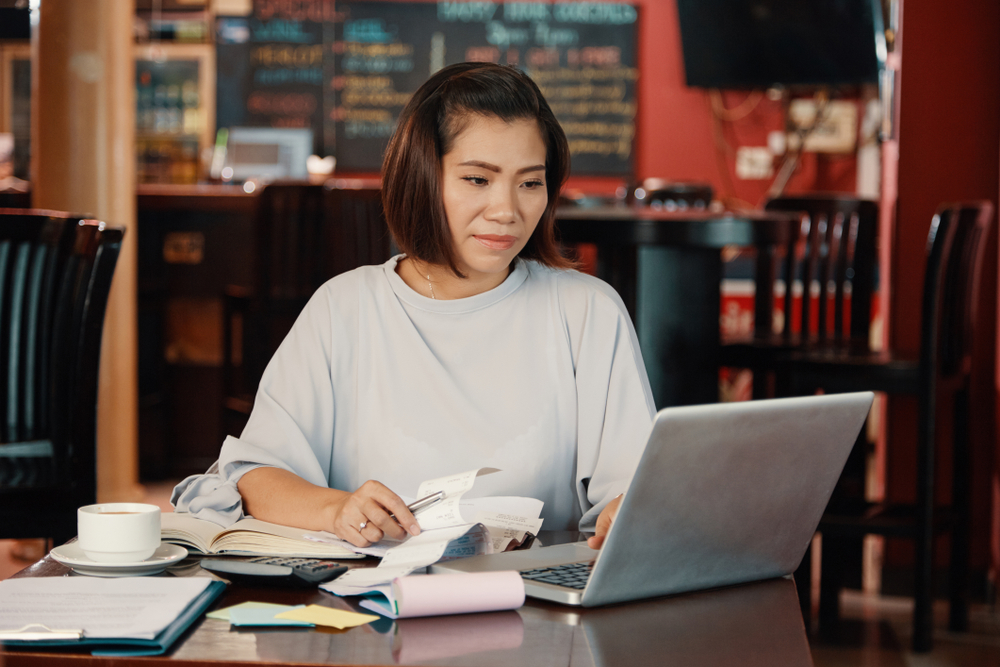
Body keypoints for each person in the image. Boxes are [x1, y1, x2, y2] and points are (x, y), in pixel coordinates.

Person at [172, 62, 655, 551]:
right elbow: (256, 475)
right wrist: (336, 509)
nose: (508, 209)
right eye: (477, 179)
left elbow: (634, 490)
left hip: (536, 607)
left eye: (530, 182)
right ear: (421, 178)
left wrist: (629, 511)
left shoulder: (588, 312)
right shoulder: (345, 309)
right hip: (370, 609)